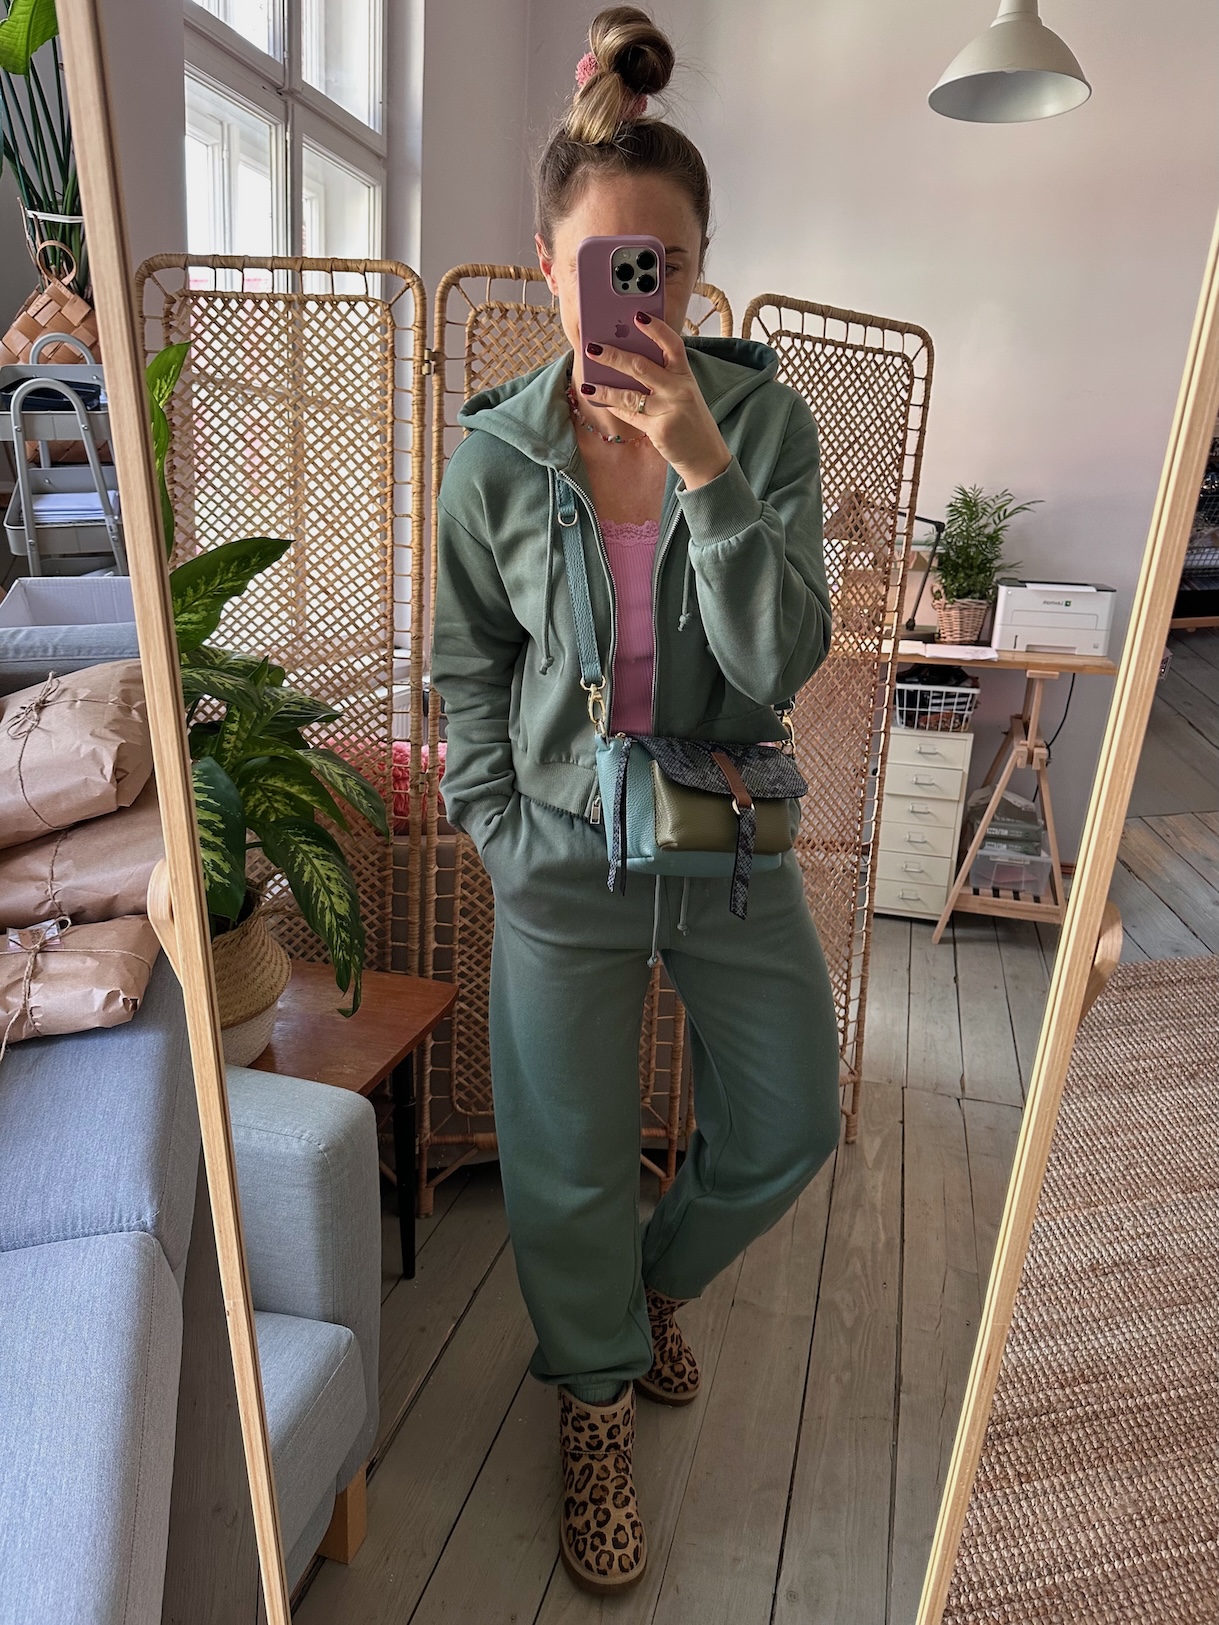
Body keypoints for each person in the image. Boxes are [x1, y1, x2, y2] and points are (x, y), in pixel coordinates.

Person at [431, 6, 840, 1595]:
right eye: (607, 266)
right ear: (548, 264)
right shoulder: (491, 459)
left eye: (661, 269)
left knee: (792, 1118)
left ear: (700, 272)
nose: (636, 299)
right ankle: (592, 1392)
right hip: (556, 854)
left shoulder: (767, 428)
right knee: (565, 1156)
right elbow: (467, 664)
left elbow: (780, 654)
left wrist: (706, 470)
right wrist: (493, 820)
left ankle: (649, 1286)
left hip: (727, 842)